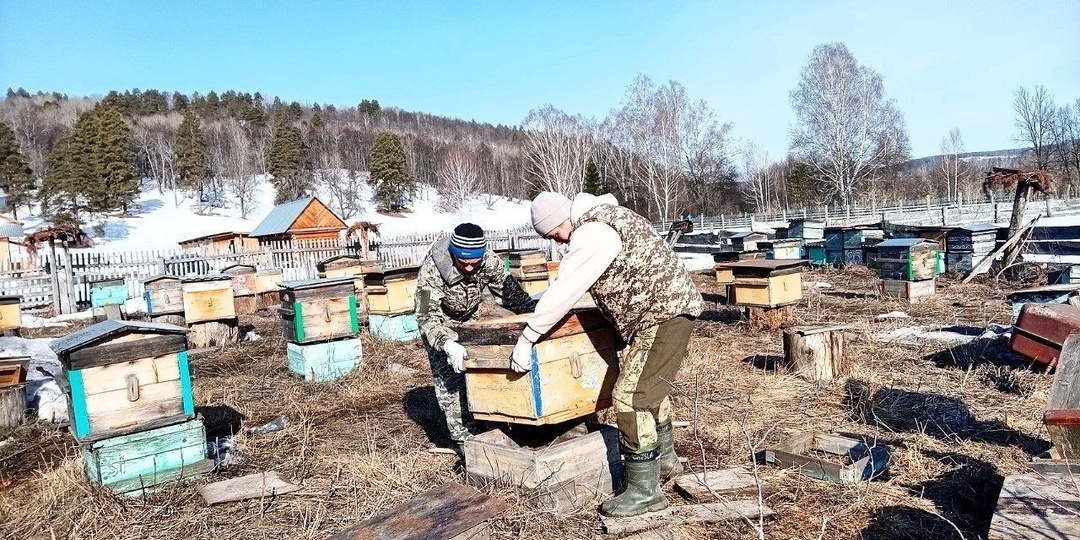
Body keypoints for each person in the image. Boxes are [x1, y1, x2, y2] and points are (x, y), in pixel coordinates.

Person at [513, 191, 703, 518]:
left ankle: (644, 491)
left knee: (631, 397)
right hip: (666, 312)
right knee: (650, 390)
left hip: (661, 315)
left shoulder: (591, 232)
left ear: (559, 221)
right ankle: (666, 461)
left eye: (552, 235)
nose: (557, 242)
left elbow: (565, 289)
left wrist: (528, 336)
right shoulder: (607, 218)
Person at [415, 222, 537, 456]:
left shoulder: (489, 261)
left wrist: (535, 322)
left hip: (471, 322)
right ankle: (466, 445)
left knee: (484, 375)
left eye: (475, 262)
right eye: (464, 262)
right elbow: (424, 314)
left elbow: (512, 294)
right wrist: (447, 344)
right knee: (451, 383)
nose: (470, 268)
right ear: (453, 254)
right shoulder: (430, 270)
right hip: (440, 327)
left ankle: (494, 428)